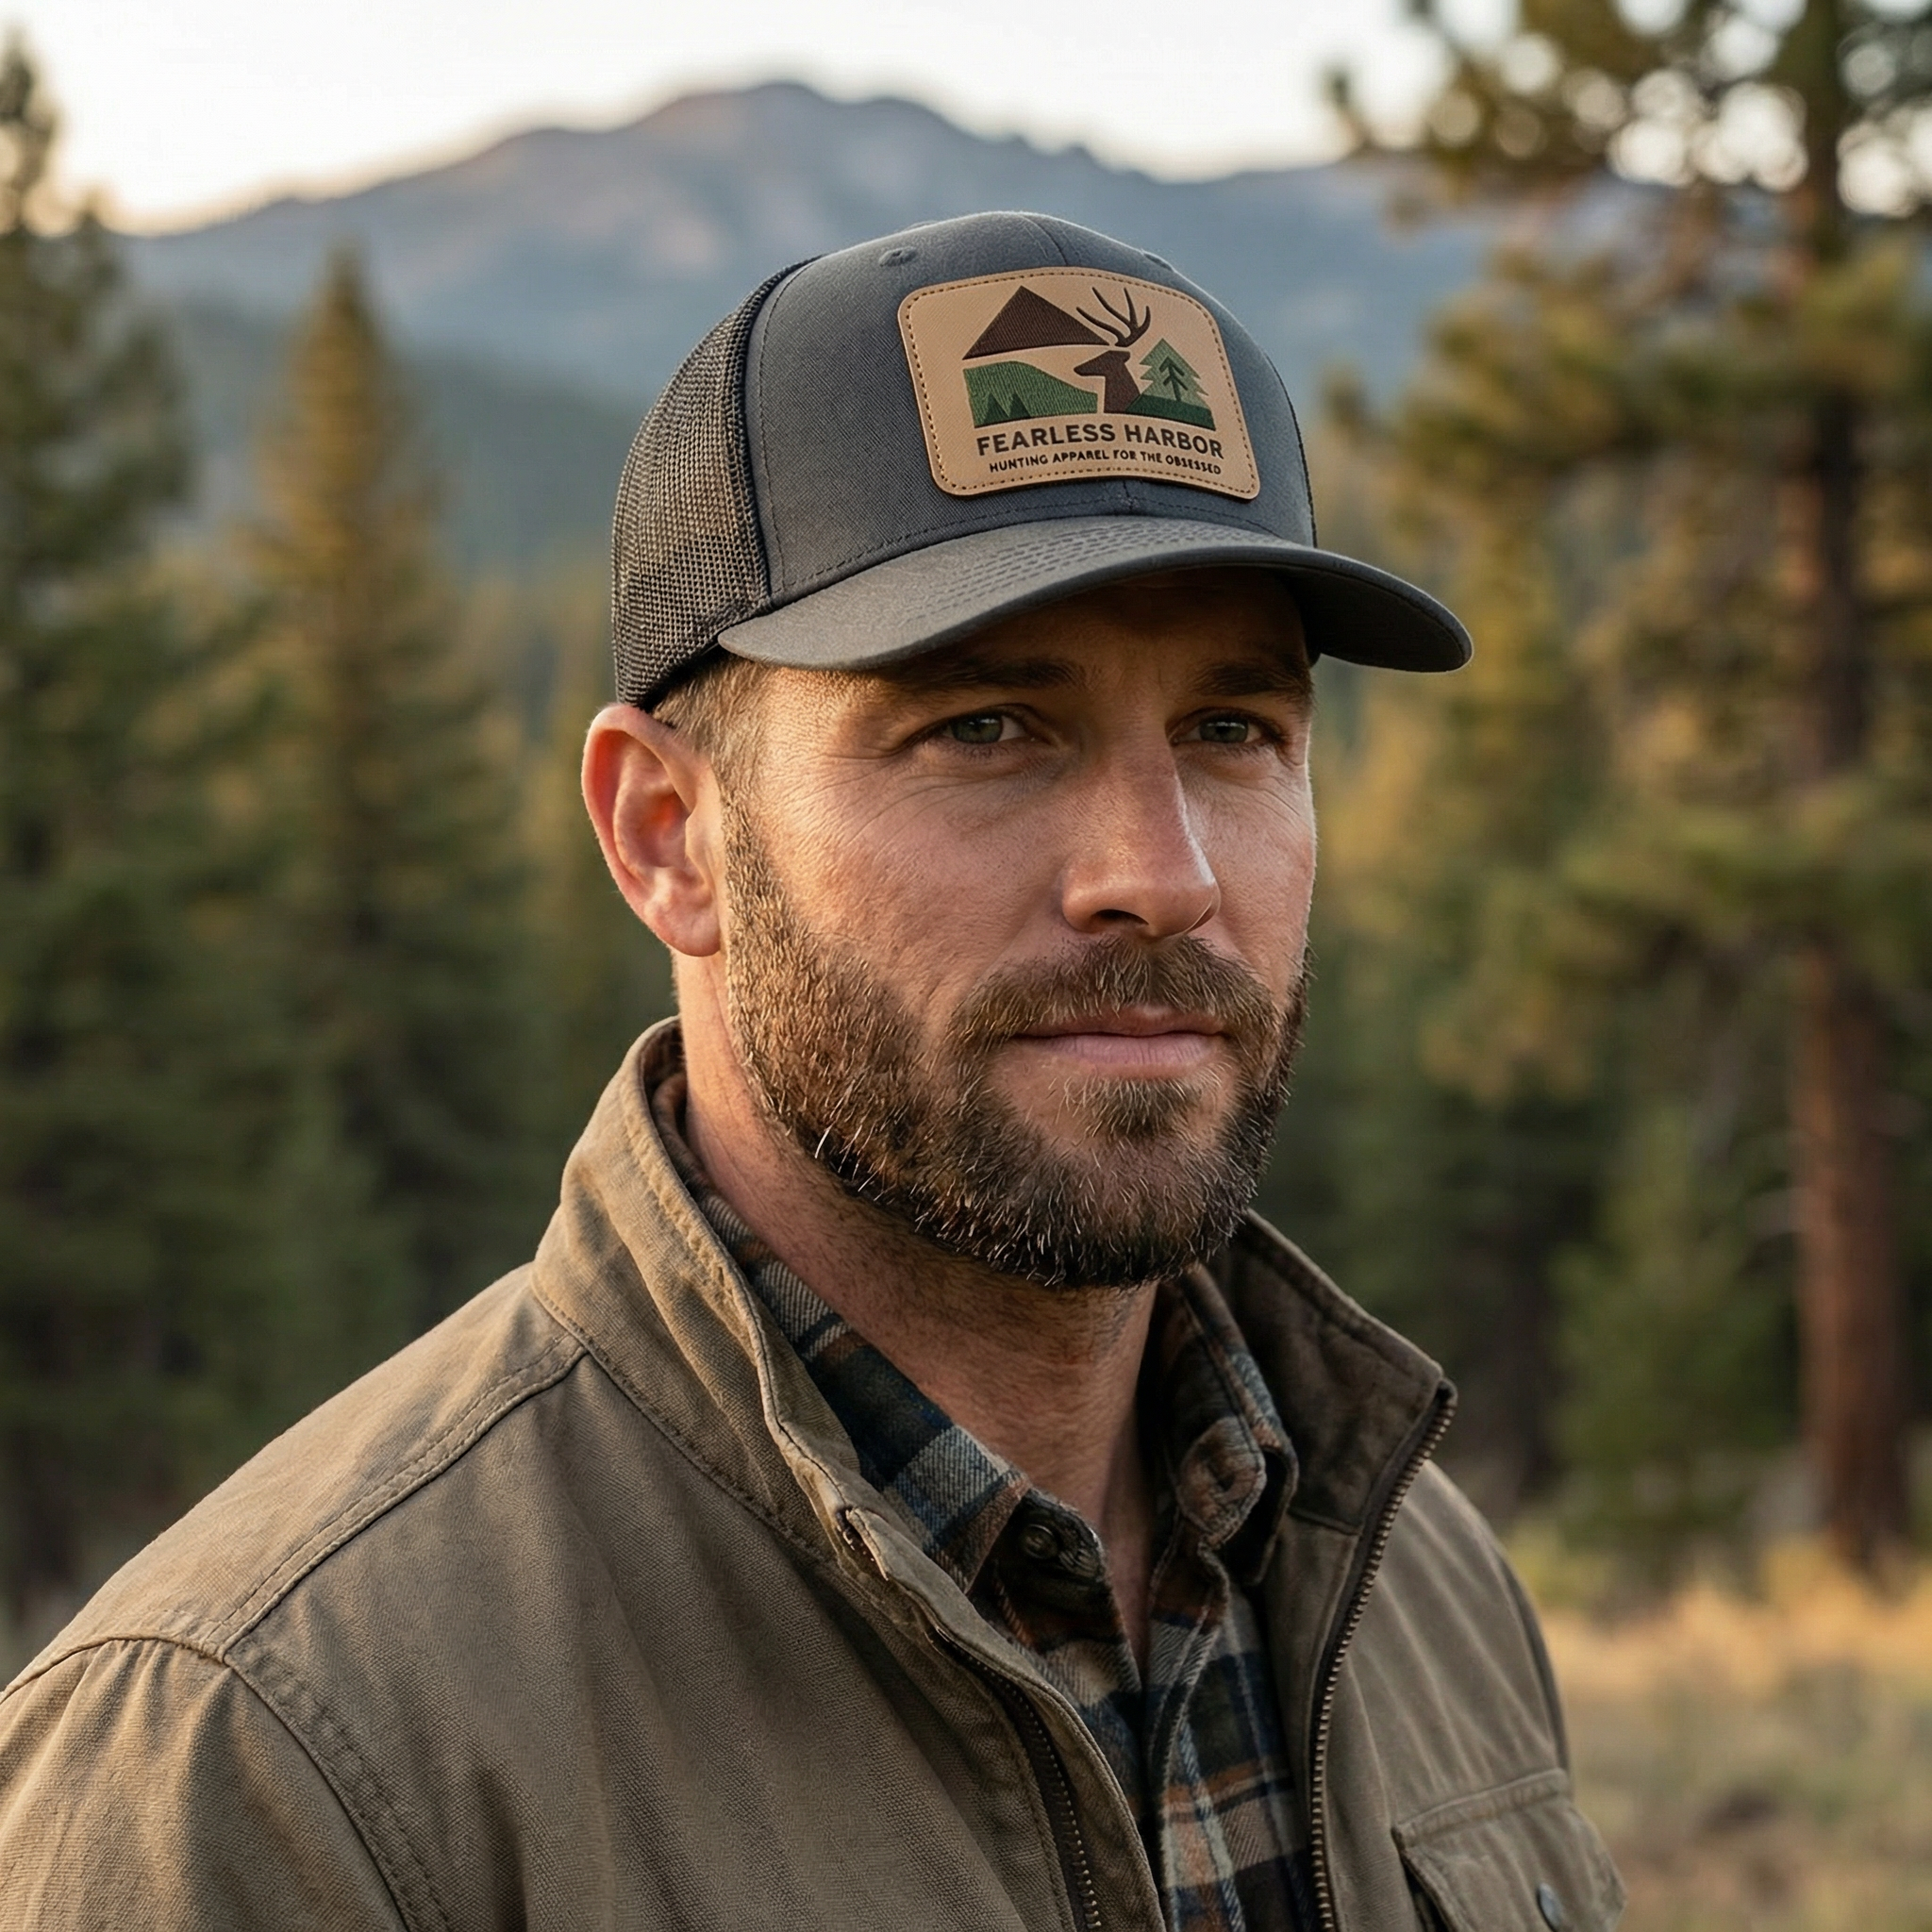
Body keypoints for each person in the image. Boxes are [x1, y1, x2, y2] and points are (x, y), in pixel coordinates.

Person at [0, 211, 1623, 1932]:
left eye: (1234, 731)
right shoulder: (257, 1765)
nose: (1162, 871)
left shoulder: (1413, 1580)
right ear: (667, 836)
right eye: (986, 728)